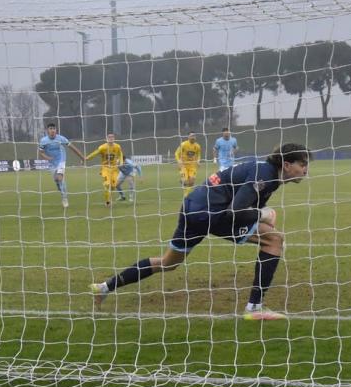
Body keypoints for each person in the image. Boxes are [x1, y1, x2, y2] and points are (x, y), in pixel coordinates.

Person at [91, 143, 312, 321]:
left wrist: (260, 214)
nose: (305, 169)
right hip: (211, 212)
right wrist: (263, 214)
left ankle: (104, 287)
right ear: (286, 164)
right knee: (274, 241)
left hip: (193, 207)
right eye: (302, 164)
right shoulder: (266, 174)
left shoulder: (266, 172)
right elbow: (235, 211)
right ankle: (254, 307)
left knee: (168, 263)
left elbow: (244, 206)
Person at [37, 123, 84, 208]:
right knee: (56, 179)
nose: (52, 130)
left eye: (54, 128)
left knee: (60, 177)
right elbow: (41, 152)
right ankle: (60, 186)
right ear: (47, 130)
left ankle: (64, 198)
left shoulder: (61, 138)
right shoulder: (43, 141)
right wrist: (47, 158)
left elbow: (72, 147)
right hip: (52, 162)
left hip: (61, 159)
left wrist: (82, 157)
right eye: (50, 129)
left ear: (56, 130)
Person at [85, 132, 125, 207]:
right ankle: (107, 202)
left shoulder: (117, 146)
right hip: (105, 168)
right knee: (107, 184)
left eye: (112, 137)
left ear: (114, 138)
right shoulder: (102, 147)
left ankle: (109, 197)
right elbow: (95, 153)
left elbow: (120, 154)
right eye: (109, 137)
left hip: (114, 169)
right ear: (106, 139)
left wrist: (121, 162)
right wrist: (87, 158)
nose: (111, 138)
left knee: (113, 186)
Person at [175, 132, 202, 197]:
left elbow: (199, 154)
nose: (193, 137)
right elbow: (176, 153)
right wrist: (178, 161)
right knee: (186, 181)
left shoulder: (197, 146)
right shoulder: (183, 144)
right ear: (188, 137)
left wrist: (198, 161)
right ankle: (186, 195)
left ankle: (184, 188)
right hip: (183, 165)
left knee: (191, 182)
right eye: (191, 136)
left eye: (194, 136)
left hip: (192, 166)